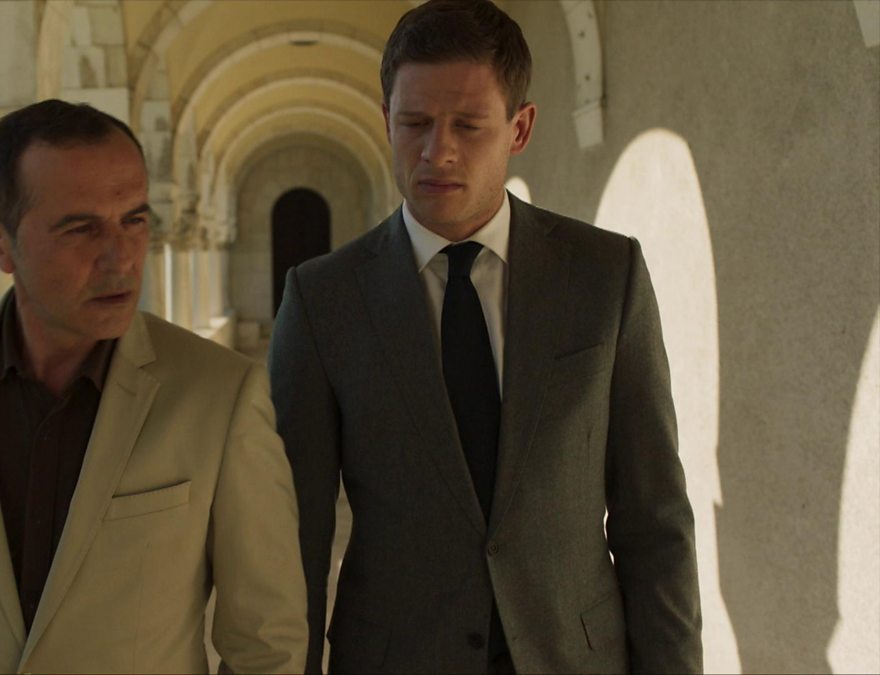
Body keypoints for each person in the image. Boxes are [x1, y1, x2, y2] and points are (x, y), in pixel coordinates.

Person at [268, 1, 702, 673]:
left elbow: (654, 519)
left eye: (468, 125)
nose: (436, 150)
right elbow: (294, 536)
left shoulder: (604, 275)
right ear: (386, 120)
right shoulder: (322, 300)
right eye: (414, 123)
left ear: (519, 128)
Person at [0, 100, 307, 674]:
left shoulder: (219, 393)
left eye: (135, 220)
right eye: (81, 228)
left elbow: (266, 642)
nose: (121, 258)